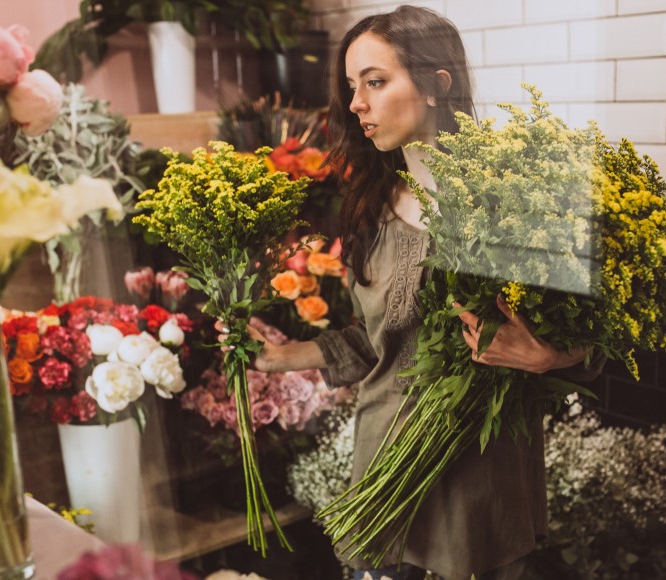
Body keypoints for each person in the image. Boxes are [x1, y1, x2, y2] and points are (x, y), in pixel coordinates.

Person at [239, 6, 602, 579]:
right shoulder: (368, 206)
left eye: (376, 82)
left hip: (479, 481)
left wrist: (553, 358)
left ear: (437, 85)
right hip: (384, 465)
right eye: (352, 86)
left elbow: (587, 332)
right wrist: (281, 358)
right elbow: (378, 339)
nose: (357, 103)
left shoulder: (512, 201)